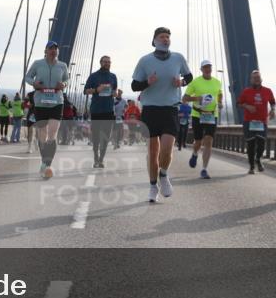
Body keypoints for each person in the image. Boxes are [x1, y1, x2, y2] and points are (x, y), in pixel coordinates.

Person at [132, 27, 193, 203]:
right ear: (154, 41)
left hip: (170, 109)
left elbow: (189, 77)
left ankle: (163, 175)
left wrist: (181, 82)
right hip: (150, 110)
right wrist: (147, 82)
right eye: (162, 37)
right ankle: (153, 186)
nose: (165, 39)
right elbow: (134, 86)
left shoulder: (178, 58)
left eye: (167, 37)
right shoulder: (145, 60)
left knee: (167, 149)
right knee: (153, 152)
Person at [25, 41, 70, 179]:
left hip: (57, 102)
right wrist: (34, 83)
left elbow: (67, 80)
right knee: (42, 134)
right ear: (45, 51)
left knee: (52, 134)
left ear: (57, 52)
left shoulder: (62, 66)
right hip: (41, 103)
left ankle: (47, 164)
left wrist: (64, 84)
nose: (53, 51)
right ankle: (44, 161)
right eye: (50, 48)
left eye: (55, 49)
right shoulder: (38, 64)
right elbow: (27, 77)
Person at [184, 60, 223, 179]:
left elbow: (219, 93)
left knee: (209, 141)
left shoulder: (217, 82)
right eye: (205, 67)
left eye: (209, 67)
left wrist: (220, 102)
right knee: (198, 141)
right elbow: (185, 98)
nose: (207, 69)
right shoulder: (195, 82)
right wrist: (197, 98)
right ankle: (195, 153)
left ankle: (204, 169)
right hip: (198, 114)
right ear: (201, 69)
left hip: (212, 115)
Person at [238, 70, 276, 173]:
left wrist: (273, 110)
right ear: (251, 80)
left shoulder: (268, 91)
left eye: (258, 77)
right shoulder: (246, 91)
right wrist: (247, 106)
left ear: (261, 79)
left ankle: (258, 159)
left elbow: (272, 102)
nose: (256, 80)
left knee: (261, 144)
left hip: (262, 122)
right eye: (254, 78)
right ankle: (251, 167)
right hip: (249, 122)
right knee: (251, 145)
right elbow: (239, 103)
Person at [83, 55, 118, 168]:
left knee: (106, 136)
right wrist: (97, 90)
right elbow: (85, 91)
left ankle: (101, 159)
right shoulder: (93, 76)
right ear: (100, 62)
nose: (107, 63)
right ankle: (95, 157)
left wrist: (115, 93)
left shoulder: (113, 76)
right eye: (105, 62)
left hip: (108, 110)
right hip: (96, 110)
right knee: (96, 136)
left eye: (109, 62)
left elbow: (115, 91)